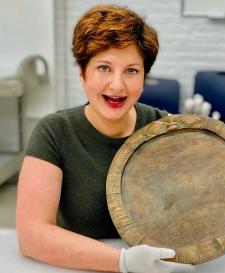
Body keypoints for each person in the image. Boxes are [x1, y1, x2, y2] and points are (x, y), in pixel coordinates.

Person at [16, 5, 195, 273]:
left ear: (144, 78)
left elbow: (194, 216)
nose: (117, 85)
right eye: (103, 68)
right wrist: (122, 262)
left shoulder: (165, 130)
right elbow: (31, 236)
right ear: (82, 74)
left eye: (131, 71)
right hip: (74, 267)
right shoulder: (54, 132)